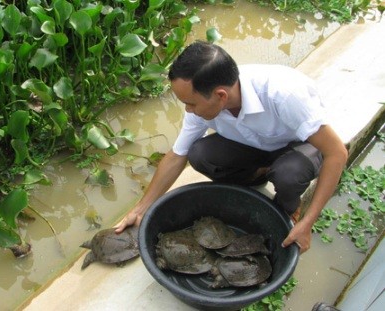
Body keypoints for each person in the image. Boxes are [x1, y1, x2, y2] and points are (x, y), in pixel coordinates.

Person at [115, 41, 348, 253]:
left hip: (301, 144)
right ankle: (259, 174)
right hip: (255, 145)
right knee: (200, 154)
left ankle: (289, 208)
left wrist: (309, 222)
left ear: (220, 95)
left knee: (288, 174)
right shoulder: (205, 103)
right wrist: (140, 209)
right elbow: (178, 155)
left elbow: (336, 153)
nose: (188, 110)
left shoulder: (283, 94)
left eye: (191, 103)